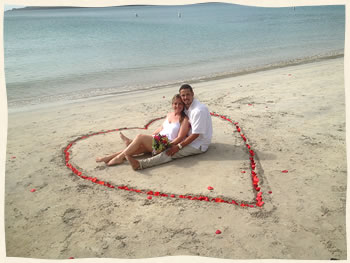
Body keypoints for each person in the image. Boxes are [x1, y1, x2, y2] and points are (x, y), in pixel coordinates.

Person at [126, 84, 212, 170]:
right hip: (187, 138)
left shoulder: (198, 110)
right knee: (153, 147)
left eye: (188, 94)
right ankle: (126, 152)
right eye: (183, 95)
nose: (185, 97)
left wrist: (179, 146)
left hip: (198, 144)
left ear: (192, 93)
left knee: (170, 152)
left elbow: (196, 134)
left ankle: (140, 164)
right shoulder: (187, 107)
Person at [96, 94, 190, 166]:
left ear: (183, 105)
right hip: (158, 140)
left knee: (140, 137)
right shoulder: (169, 114)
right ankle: (107, 157)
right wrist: (151, 137)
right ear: (172, 104)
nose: (177, 106)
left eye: (180, 104)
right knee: (135, 149)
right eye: (175, 103)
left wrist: (170, 146)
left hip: (166, 144)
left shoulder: (184, 119)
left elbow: (180, 137)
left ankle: (120, 157)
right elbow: (161, 128)